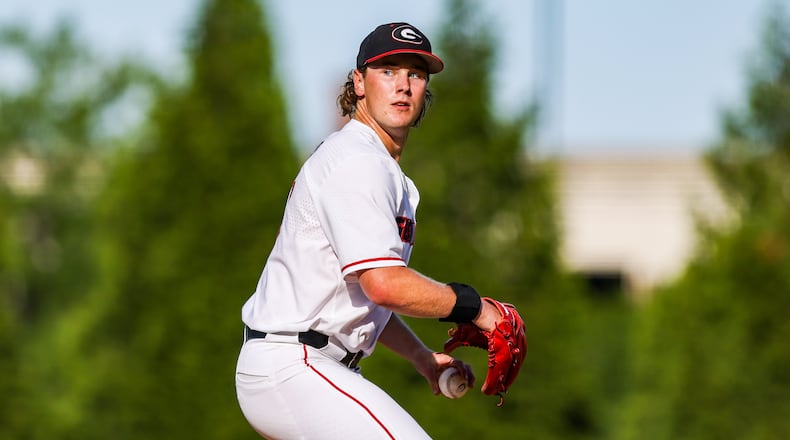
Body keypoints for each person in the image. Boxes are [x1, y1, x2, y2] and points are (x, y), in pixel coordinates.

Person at [235, 22, 505, 439]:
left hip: (303, 364)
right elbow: (383, 284)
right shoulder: (358, 161)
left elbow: (360, 295)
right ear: (359, 83)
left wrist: (420, 356)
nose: (403, 85)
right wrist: (474, 307)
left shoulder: (370, 162)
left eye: (415, 74)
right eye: (388, 71)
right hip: (294, 364)